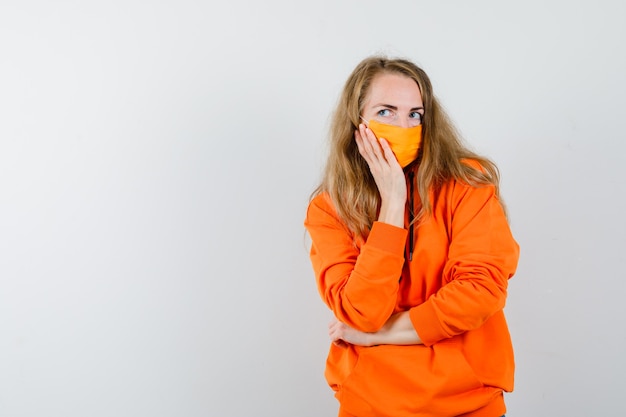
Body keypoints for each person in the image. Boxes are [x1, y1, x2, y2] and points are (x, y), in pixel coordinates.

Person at [304, 56, 520, 417]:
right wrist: (392, 204)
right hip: (369, 401)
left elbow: (480, 291)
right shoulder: (329, 209)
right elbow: (361, 314)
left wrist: (378, 336)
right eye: (386, 112)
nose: (404, 125)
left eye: (415, 114)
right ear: (357, 122)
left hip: (468, 401)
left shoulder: (468, 183)